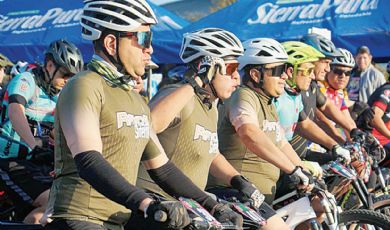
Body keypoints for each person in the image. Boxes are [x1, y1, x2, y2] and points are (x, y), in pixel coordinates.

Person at [44, 1, 242, 229]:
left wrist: (214, 207)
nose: (151, 49)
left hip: (120, 220)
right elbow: (89, 160)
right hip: (80, 217)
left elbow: (162, 169)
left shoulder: (135, 99)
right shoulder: (84, 86)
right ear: (111, 43)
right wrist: (147, 203)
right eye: (143, 39)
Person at [136, 31, 285, 230]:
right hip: (156, 206)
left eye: (238, 70)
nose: (236, 78)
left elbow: (211, 153)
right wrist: (196, 81)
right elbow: (149, 125)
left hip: (189, 205)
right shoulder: (178, 94)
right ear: (205, 67)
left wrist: (239, 181)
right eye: (230, 68)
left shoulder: (211, 107)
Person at [206, 37, 314, 213]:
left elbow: (281, 143)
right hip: (233, 194)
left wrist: (302, 171)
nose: (285, 76)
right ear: (256, 75)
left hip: (257, 199)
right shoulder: (244, 95)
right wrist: (292, 169)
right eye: (278, 70)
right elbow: (249, 132)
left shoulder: (269, 103)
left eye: (285, 69)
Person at [0, 39, 83, 224]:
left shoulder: (59, 92)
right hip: (11, 160)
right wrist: (33, 145)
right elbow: (15, 112)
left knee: (71, 199)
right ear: (50, 65)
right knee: (53, 204)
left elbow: (57, 130)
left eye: (73, 77)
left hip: (37, 162)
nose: (68, 80)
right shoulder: (27, 80)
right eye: (65, 74)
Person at [289, 33, 360, 160]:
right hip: (292, 157)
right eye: (326, 63)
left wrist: (354, 130)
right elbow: (315, 121)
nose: (328, 69)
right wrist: (337, 145)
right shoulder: (295, 89)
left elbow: (327, 105)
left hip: (301, 153)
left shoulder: (312, 85)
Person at [318, 48, 358, 140]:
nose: (343, 76)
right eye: (338, 71)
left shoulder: (340, 92)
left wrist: (359, 142)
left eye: (347, 73)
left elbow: (348, 122)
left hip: (329, 141)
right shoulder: (319, 88)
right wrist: (341, 143)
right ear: (328, 70)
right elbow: (322, 120)